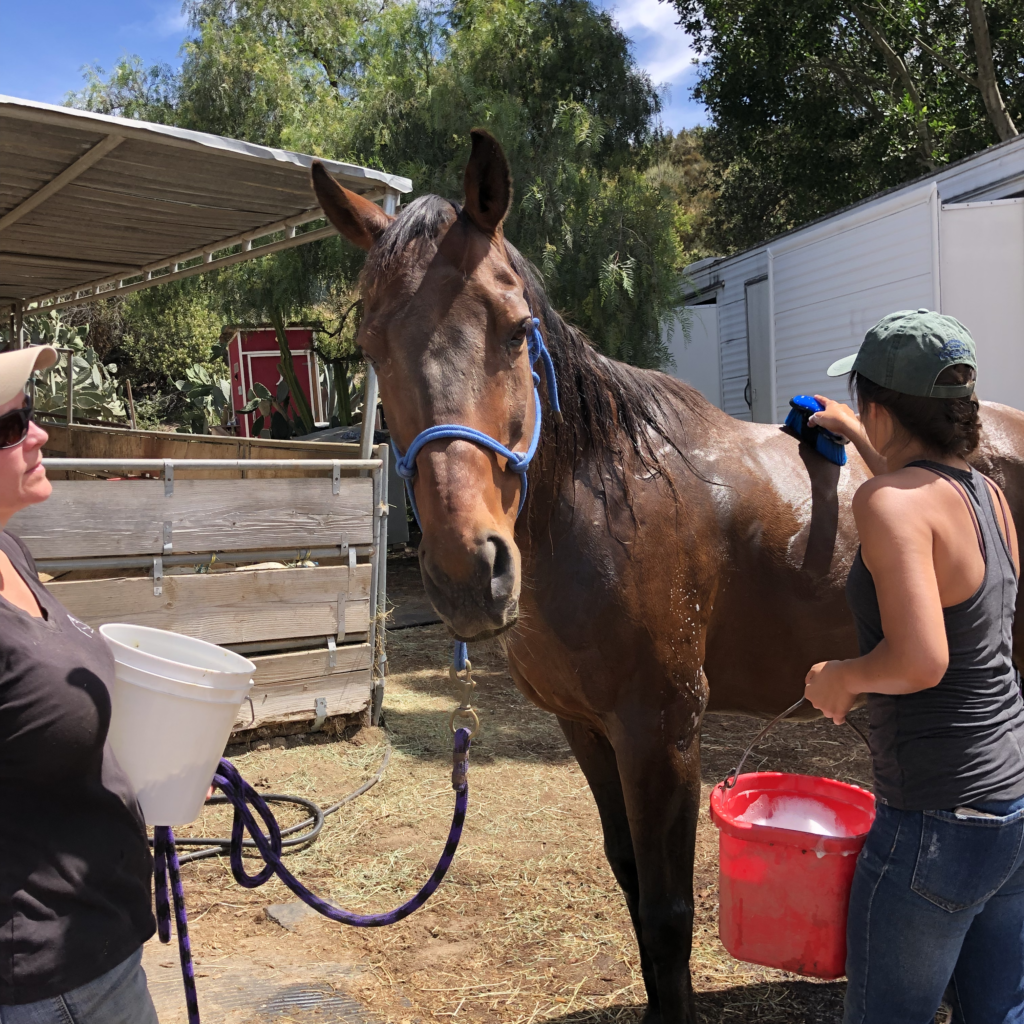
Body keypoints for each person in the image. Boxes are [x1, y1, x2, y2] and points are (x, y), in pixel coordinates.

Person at [804, 310, 1024, 1024]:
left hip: (936, 816)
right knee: (999, 1011)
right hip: (1010, 806)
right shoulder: (987, 497)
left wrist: (843, 675)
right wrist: (858, 432)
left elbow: (921, 659)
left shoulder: (888, 503)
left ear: (884, 410)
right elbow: (918, 488)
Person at [0, 346, 158, 1024]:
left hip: (96, 946)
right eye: (10, 426)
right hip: (50, 976)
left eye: (29, 416)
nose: (38, 434)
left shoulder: (8, 551)